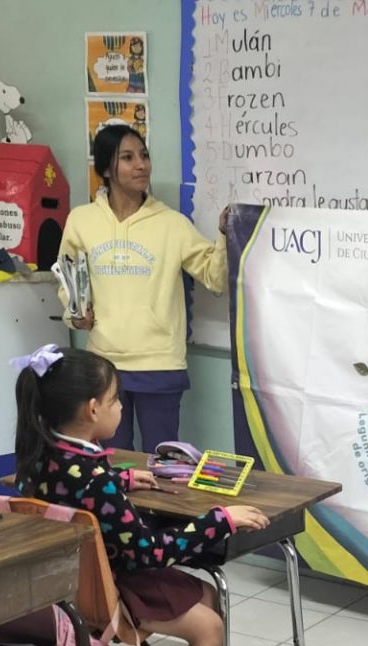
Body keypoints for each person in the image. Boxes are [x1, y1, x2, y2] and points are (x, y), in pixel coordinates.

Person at [12, 344, 295, 646]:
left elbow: (78, 485)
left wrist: (121, 479)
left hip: (67, 589)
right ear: (92, 409)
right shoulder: (94, 479)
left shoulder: (41, 457)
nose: (120, 407)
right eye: (115, 400)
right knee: (210, 628)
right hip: (109, 592)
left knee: (209, 596)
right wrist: (219, 520)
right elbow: (152, 552)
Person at [58, 123, 230, 453]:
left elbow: (215, 277)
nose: (141, 165)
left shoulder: (171, 223)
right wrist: (75, 314)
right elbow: (67, 281)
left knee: (161, 465)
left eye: (144, 155)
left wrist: (224, 236)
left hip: (160, 364)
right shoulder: (81, 221)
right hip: (103, 365)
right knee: (110, 462)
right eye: (127, 157)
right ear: (105, 168)